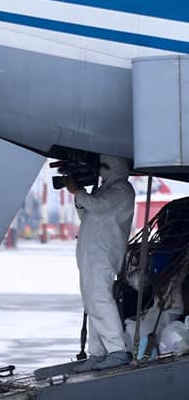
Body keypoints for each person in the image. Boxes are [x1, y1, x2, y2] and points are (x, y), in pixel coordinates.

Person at [66, 155, 136, 371]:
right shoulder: (106, 190)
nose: (101, 172)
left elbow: (97, 206)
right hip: (91, 254)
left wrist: (78, 191)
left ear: (116, 168)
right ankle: (97, 352)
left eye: (104, 167)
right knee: (92, 303)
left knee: (100, 300)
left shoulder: (121, 190)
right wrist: (79, 196)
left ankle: (116, 350)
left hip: (102, 254)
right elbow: (87, 213)